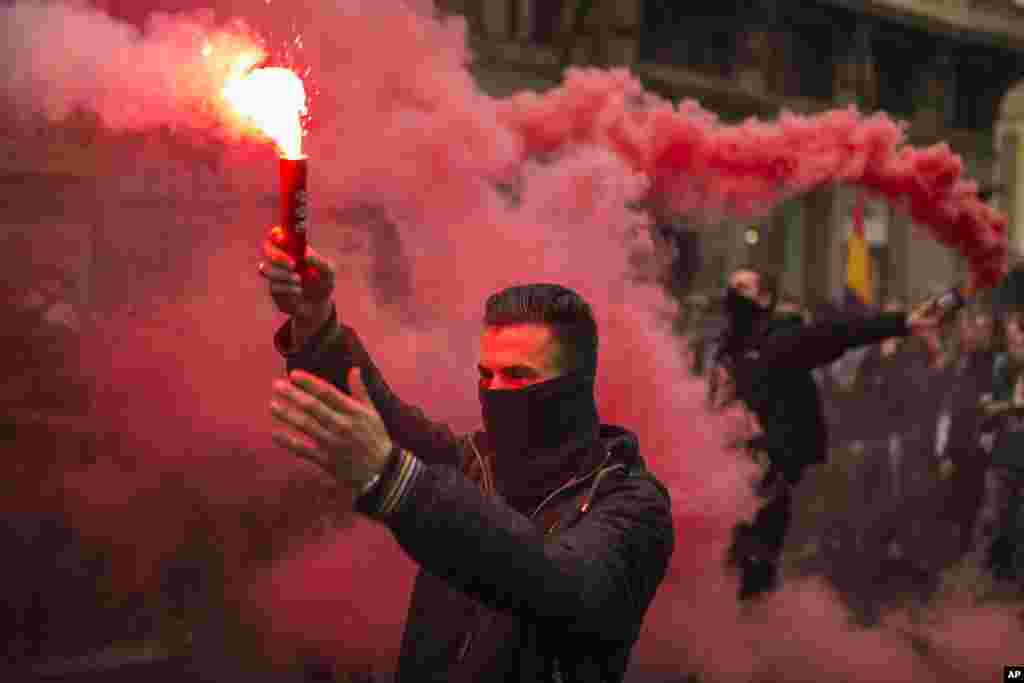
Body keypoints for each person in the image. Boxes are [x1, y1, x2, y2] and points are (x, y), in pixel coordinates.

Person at [257, 234, 675, 682]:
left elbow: (567, 586)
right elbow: (375, 409)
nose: (494, 392)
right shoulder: (472, 462)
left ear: (575, 384)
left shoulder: (632, 504)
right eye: (485, 375)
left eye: (517, 377)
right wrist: (315, 319)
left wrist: (398, 482)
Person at [712, 267, 948, 600]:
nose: (733, 294)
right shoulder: (725, 348)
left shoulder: (782, 339)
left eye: (742, 287)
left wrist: (902, 323)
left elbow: (841, 333)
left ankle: (752, 624)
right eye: (731, 286)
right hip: (726, 466)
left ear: (764, 298)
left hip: (770, 469)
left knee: (756, 559)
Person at [972, 309, 1024, 582]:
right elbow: (991, 405)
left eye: (1016, 336)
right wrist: (1005, 406)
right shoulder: (1001, 364)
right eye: (1010, 337)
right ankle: (987, 575)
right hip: (1003, 452)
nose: (1012, 342)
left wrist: (1003, 407)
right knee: (993, 516)